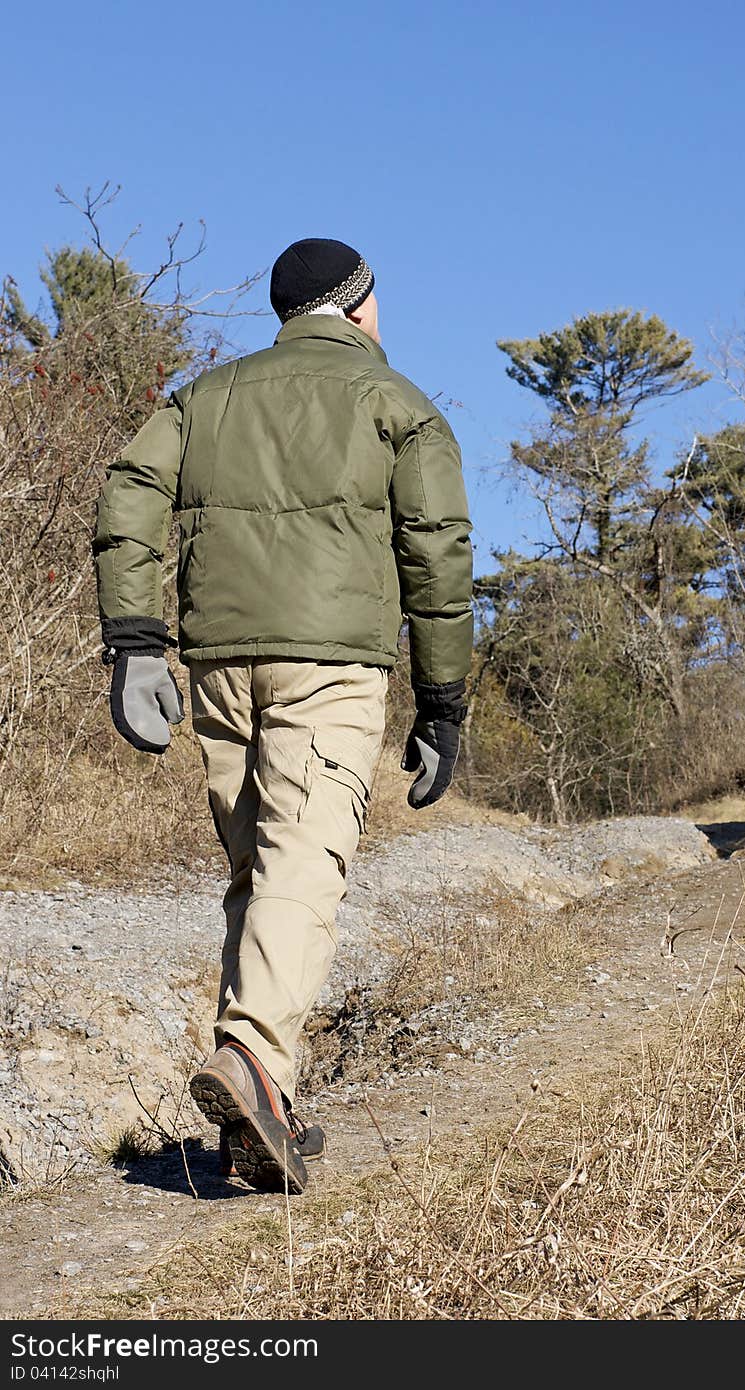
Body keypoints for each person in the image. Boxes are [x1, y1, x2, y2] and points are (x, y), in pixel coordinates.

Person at [93, 238, 473, 1192]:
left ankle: (258, 1119)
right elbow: (438, 559)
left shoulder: (206, 396)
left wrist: (137, 640)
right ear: (356, 305)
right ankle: (255, 1058)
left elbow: (133, 491)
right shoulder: (398, 405)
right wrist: (443, 701)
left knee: (259, 876)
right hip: (332, 666)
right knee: (305, 865)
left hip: (218, 661)